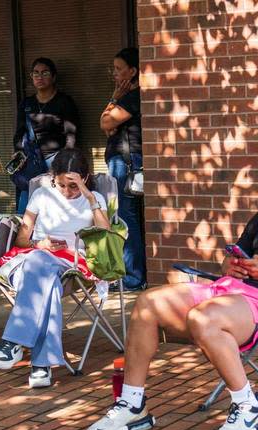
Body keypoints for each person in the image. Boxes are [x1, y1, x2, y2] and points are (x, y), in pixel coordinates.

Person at [85, 150, 258, 430]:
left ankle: (250, 407)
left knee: (204, 318)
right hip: (230, 292)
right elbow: (231, 258)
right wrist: (232, 266)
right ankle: (132, 406)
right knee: (147, 303)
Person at [0, 148, 110, 389]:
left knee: (41, 267)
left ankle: (13, 343)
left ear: (84, 178)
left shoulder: (94, 199)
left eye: (74, 186)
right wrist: (39, 243)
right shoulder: (41, 195)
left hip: (71, 263)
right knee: (44, 275)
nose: (67, 191)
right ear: (54, 179)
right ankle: (41, 365)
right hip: (34, 259)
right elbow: (22, 240)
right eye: (61, 184)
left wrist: (91, 199)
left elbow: (106, 236)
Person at [99, 47, 146, 291]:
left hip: (126, 163)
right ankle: (134, 275)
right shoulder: (132, 97)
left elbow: (105, 121)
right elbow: (108, 127)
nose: (114, 74)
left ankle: (133, 277)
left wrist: (114, 99)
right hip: (127, 162)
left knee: (126, 219)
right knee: (129, 217)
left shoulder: (131, 97)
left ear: (133, 71)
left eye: (118, 69)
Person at [13, 57, 80, 214]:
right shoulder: (26, 103)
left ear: (54, 76)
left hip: (55, 159)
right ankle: (24, 236)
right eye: (35, 73)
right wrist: (19, 154)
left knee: (55, 203)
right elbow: (19, 132)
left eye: (45, 73)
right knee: (26, 203)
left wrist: (65, 162)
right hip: (30, 160)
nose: (39, 77)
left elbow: (71, 135)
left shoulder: (64, 102)